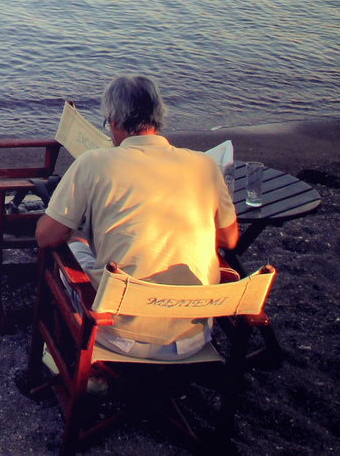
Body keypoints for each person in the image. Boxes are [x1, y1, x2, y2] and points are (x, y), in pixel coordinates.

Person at [35, 74, 238, 360]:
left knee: (72, 241)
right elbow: (230, 240)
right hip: (193, 335)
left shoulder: (94, 162)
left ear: (114, 123)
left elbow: (45, 237)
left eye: (108, 125)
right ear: (158, 117)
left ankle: (63, 358)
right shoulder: (204, 165)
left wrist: (76, 231)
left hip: (117, 335)